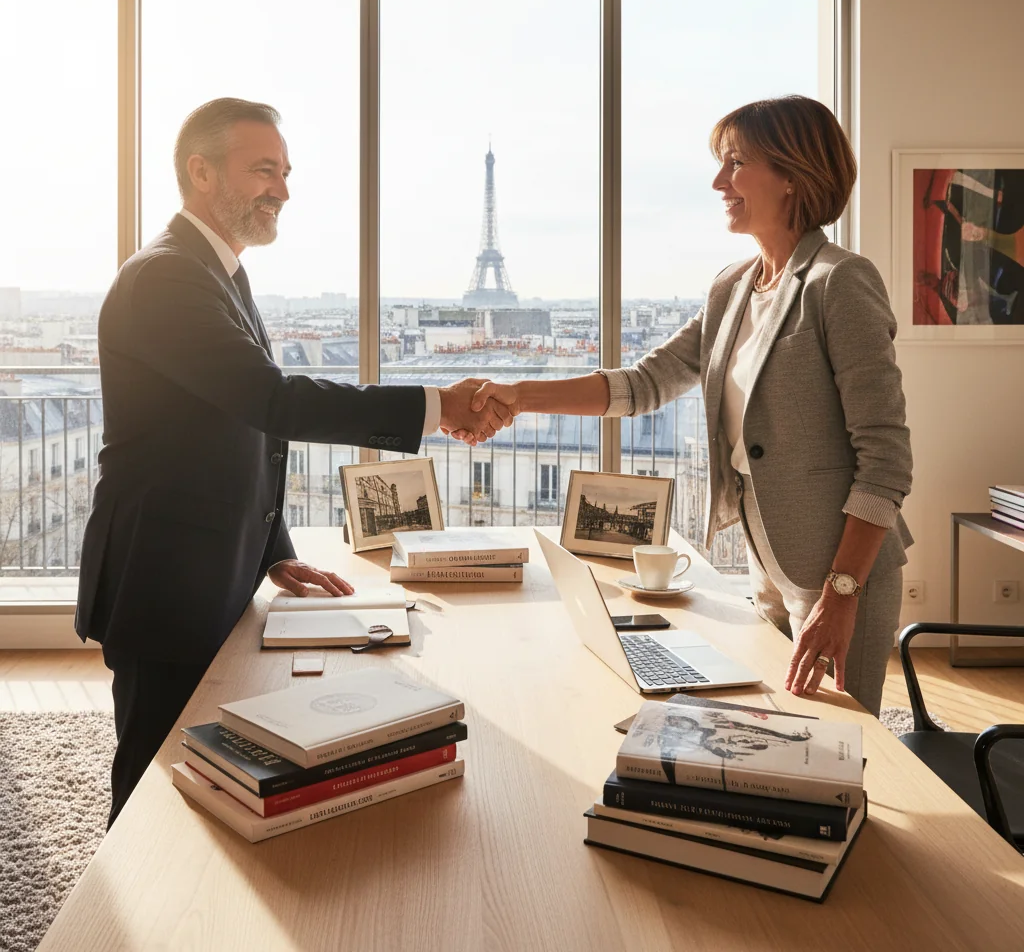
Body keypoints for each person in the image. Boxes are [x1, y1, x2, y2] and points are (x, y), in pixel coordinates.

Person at [76, 97, 513, 827]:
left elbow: (238, 426)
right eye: (263, 170)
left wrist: (274, 550)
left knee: (201, 776)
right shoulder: (165, 278)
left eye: (285, 171)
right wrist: (438, 406)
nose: (282, 188)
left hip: (201, 567)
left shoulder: (216, 272)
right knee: (152, 785)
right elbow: (272, 401)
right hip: (165, 579)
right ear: (201, 172)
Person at [459, 95, 913, 718]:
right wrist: (520, 396)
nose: (719, 181)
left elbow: (885, 460)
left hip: (842, 573)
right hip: (767, 558)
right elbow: (645, 382)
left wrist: (841, 593)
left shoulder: (840, 281)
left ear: (791, 175)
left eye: (736, 164)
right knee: (779, 731)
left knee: (843, 742)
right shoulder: (733, 286)